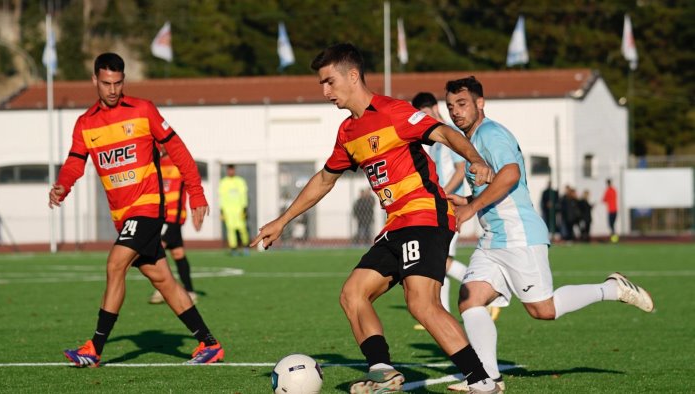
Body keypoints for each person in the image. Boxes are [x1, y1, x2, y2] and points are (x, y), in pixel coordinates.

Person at [251, 43, 500, 394]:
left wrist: (474, 157)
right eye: (322, 84)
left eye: (329, 82)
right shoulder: (348, 132)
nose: (325, 92)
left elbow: (442, 133)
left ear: (353, 76)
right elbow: (325, 178)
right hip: (396, 225)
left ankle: (482, 381)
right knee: (353, 293)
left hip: (425, 215)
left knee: (420, 302)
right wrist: (282, 220)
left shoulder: (394, 111)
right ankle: (384, 371)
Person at [442, 76, 654, 392]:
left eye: (461, 104)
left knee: (544, 310)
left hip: (518, 236)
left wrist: (471, 210)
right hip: (493, 239)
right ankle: (488, 378)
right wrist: (467, 201)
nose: (455, 112)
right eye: (450, 107)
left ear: (480, 103)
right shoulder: (471, 142)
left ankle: (611, 288)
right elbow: (495, 186)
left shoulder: (491, 134)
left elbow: (511, 175)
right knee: (470, 298)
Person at [48, 53, 223, 367]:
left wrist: (196, 193)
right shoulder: (85, 123)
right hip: (123, 217)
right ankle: (209, 344)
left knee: (116, 265)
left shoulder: (143, 110)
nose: (112, 89)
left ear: (123, 81)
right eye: (106, 83)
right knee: (162, 279)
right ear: (94, 81)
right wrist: (63, 185)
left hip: (148, 208)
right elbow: (76, 161)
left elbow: (178, 149)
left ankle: (94, 348)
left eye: (118, 83)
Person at [411, 92, 500, 325]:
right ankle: (443, 312)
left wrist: (440, 194)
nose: (423, 117)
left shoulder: (448, 133)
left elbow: (461, 170)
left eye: (425, 112)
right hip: (442, 202)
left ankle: (488, 294)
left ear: (435, 108)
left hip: (449, 203)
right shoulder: (433, 138)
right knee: (440, 259)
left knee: (440, 260)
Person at [149, 145, 198, 304]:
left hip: (174, 218)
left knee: (158, 249)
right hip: (160, 217)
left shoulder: (177, 164)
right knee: (178, 254)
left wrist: (197, 209)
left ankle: (163, 289)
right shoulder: (155, 166)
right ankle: (190, 291)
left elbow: (192, 185)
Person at [218, 164, 249, 255]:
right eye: (229, 170)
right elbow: (221, 197)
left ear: (234, 170)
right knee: (230, 229)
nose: (230, 172)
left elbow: (244, 195)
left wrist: (244, 208)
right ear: (227, 171)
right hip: (228, 211)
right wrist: (222, 210)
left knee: (242, 228)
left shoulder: (240, 181)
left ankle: (246, 246)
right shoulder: (223, 182)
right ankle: (233, 248)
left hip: (239, 210)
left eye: (232, 170)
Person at [602, 178, 619, 243]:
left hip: (611, 210)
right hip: (615, 210)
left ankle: (614, 237)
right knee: (612, 224)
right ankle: (614, 237)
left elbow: (603, 200)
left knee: (611, 224)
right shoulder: (614, 190)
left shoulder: (608, 191)